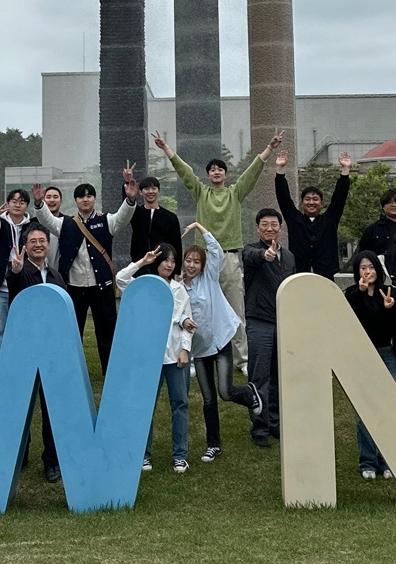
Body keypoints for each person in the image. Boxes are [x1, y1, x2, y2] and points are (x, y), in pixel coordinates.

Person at [152, 129, 284, 369]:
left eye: (220, 169)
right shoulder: (201, 192)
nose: (216, 172)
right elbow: (184, 171)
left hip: (229, 257)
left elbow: (252, 172)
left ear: (225, 174)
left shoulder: (235, 193)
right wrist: (166, 148)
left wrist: (270, 148)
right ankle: (193, 356)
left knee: (236, 309)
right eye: (212, 169)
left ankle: (242, 359)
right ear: (208, 175)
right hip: (201, 260)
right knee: (195, 309)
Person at [34, 167, 137, 374]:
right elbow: (47, 220)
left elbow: (123, 217)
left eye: (89, 196)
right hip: (74, 287)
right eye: (81, 196)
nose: (85, 199)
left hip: (102, 287)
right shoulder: (65, 223)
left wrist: (130, 200)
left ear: (94, 199)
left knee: (107, 331)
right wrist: (39, 204)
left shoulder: (106, 221)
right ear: (76, 201)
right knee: (72, 331)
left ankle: (111, 372)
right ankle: (69, 371)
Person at [180, 222, 262, 464]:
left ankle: (249, 393)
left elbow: (215, 250)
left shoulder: (209, 277)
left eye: (196, 262)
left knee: (225, 392)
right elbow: (176, 314)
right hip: (200, 350)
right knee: (208, 399)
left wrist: (198, 226)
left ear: (203, 265)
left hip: (221, 342)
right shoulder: (179, 288)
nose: (192, 265)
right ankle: (213, 445)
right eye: (188, 261)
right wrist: (184, 321)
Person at [118, 242, 194, 474]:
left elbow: (187, 322)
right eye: (165, 260)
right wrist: (143, 261)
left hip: (175, 356)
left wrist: (185, 349)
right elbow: (120, 279)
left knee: (179, 404)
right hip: (149, 357)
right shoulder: (144, 285)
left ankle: (180, 455)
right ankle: (143, 454)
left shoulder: (179, 290)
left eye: (173, 261)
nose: (169, 265)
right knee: (145, 406)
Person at [6, 227, 66, 484]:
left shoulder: (55, 275)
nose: (38, 245)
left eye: (42, 241)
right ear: (25, 246)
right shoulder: (20, 270)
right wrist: (16, 272)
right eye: (33, 241)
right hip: (25, 348)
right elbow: (14, 289)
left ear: (48, 245)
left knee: (51, 406)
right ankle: (19, 455)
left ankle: (51, 460)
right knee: (21, 404)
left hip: (52, 349)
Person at [0, 188, 60, 367]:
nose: (17, 205)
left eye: (22, 202)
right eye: (14, 201)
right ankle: (0, 371)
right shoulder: (0, 223)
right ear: (8, 203)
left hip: (24, 286)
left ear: (27, 206)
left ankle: (24, 368)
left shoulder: (32, 225)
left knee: (25, 329)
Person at [345, 251, 396, 479]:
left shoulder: (389, 292)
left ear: (378, 269)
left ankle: (387, 460)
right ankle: (367, 461)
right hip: (362, 356)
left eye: (371, 267)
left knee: (387, 407)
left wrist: (390, 308)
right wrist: (360, 292)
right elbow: (350, 320)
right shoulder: (351, 293)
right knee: (365, 409)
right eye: (363, 268)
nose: (368, 272)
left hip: (386, 353)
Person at [242, 208, 294, 447]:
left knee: (278, 376)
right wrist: (266, 255)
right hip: (259, 322)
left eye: (274, 224)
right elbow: (252, 257)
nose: (269, 228)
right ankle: (259, 427)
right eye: (264, 224)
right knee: (259, 376)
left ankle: (275, 422)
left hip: (283, 321)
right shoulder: (251, 250)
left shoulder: (289, 256)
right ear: (257, 228)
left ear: (280, 228)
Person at [274, 150, 352, 279]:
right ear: (302, 203)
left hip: (325, 274)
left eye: (315, 199)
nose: (311, 202)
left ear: (322, 204)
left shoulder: (329, 220)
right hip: (299, 273)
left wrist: (345, 170)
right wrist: (280, 169)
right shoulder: (295, 219)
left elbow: (340, 197)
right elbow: (284, 198)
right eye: (307, 199)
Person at [129, 176, 181, 262]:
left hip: (162, 264)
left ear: (159, 191)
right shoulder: (136, 213)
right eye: (146, 189)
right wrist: (128, 182)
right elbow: (127, 206)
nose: (150, 191)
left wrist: (176, 268)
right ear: (140, 192)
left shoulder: (170, 217)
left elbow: (176, 246)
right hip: (139, 263)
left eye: (154, 188)